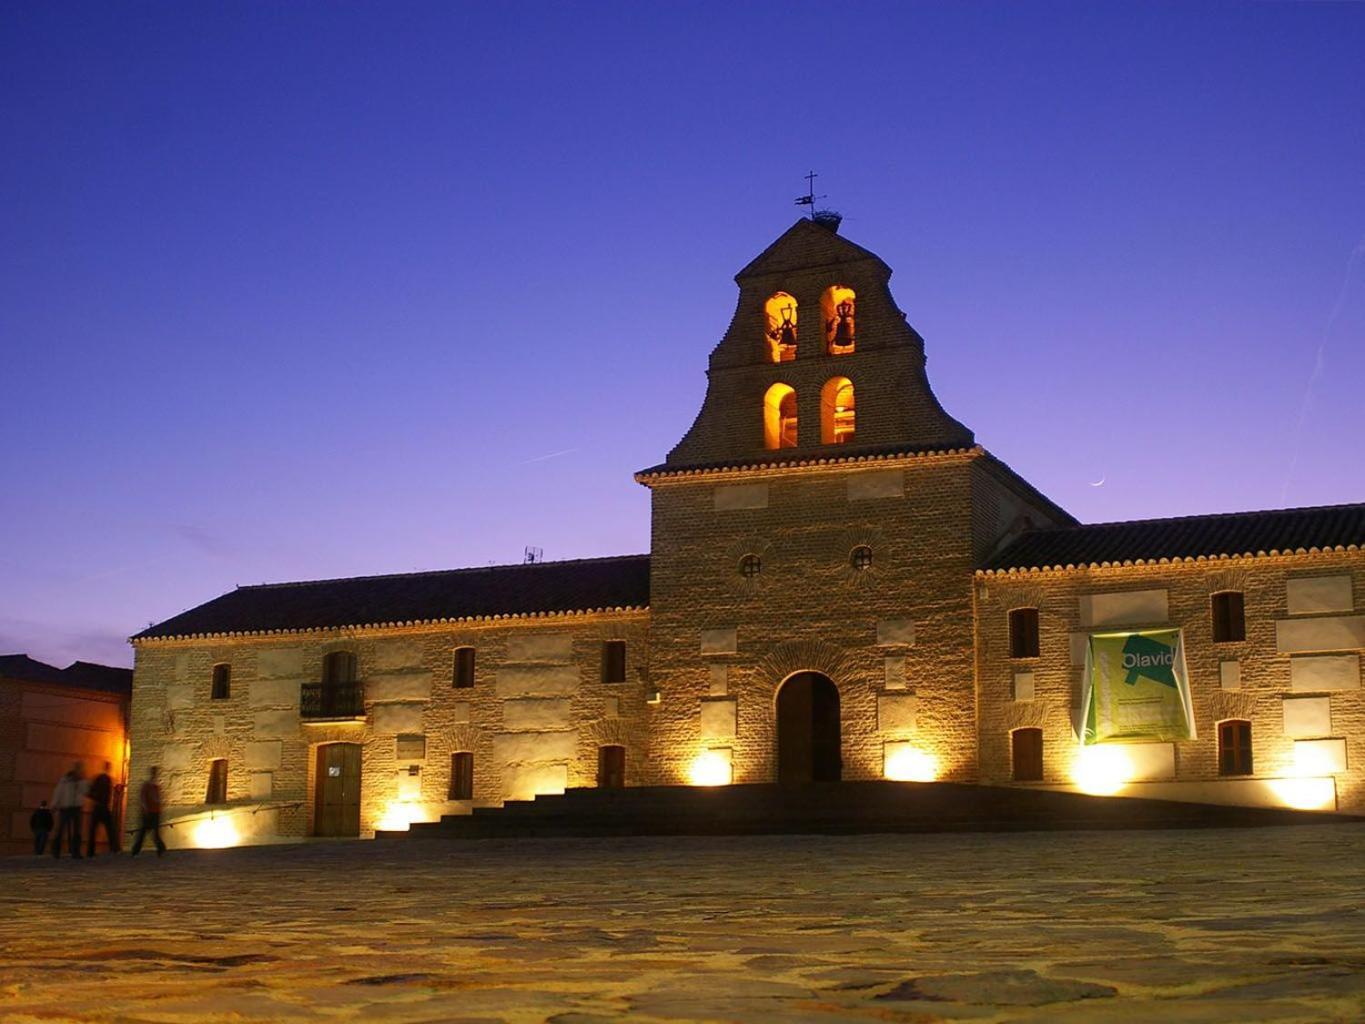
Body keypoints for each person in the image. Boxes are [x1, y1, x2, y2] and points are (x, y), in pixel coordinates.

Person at [50, 762, 87, 859]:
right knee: (61, 830)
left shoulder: (81, 780)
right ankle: (56, 851)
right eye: (78, 768)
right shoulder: (65, 780)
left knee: (77, 831)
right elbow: (58, 792)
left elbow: (85, 791)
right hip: (65, 807)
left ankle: (76, 852)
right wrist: (54, 804)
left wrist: (81, 781)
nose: (79, 770)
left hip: (77, 807)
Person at [130, 766, 166, 857]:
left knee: (154, 833)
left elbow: (158, 799)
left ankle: (161, 850)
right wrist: (145, 809)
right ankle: (136, 851)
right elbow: (143, 799)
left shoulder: (156, 786)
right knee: (143, 833)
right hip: (149, 812)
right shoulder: (147, 786)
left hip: (155, 812)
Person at [86, 761, 119, 856]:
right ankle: (114, 848)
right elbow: (108, 794)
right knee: (110, 828)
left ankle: (90, 851)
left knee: (94, 829)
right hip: (103, 806)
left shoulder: (100, 778)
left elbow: (91, 792)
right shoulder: (106, 779)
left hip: (98, 806)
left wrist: (95, 797)